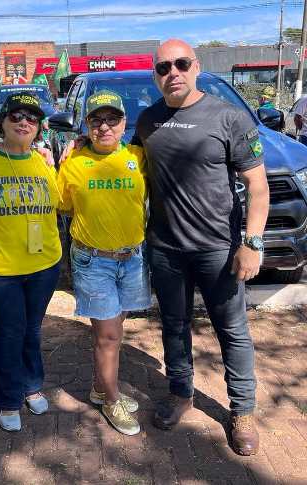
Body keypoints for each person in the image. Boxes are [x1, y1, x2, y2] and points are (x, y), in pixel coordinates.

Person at [132, 39, 269, 456]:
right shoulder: (147, 121)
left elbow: (258, 188)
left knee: (233, 331)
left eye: (181, 64)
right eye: (162, 67)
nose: (172, 72)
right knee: (174, 326)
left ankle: (242, 410)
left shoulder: (228, 117)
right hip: (165, 249)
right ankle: (180, 393)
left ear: (196, 66)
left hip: (219, 249)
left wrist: (252, 243)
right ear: (155, 75)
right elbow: (127, 169)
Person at [0, 93, 62, 432]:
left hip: (44, 265)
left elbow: (60, 203)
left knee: (32, 330)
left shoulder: (42, 161)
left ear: (39, 128)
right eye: (16, 116)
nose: (24, 123)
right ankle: (8, 398)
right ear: (2, 121)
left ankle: (33, 384)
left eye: (32, 119)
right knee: (9, 332)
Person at [57, 90, 151, 436]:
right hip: (93, 261)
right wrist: (71, 153)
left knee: (114, 330)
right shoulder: (74, 163)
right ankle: (111, 400)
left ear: (124, 123)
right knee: (108, 336)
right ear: (87, 124)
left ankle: (100, 388)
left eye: (112, 119)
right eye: (96, 119)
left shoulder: (139, 157)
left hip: (132, 258)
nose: (104, 126)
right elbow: (62, 205)